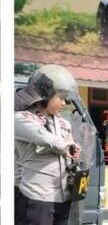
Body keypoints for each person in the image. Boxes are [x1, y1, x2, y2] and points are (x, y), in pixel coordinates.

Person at [14, 65, 83, 225]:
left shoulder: (63, 123)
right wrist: (66, 146)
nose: (64, 103)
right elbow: (45, 138)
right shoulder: (21, 119)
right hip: (37, 198)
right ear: (45, 96)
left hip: (63, 196)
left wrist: (74, 149)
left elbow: (67, 147)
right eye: (61, 98)